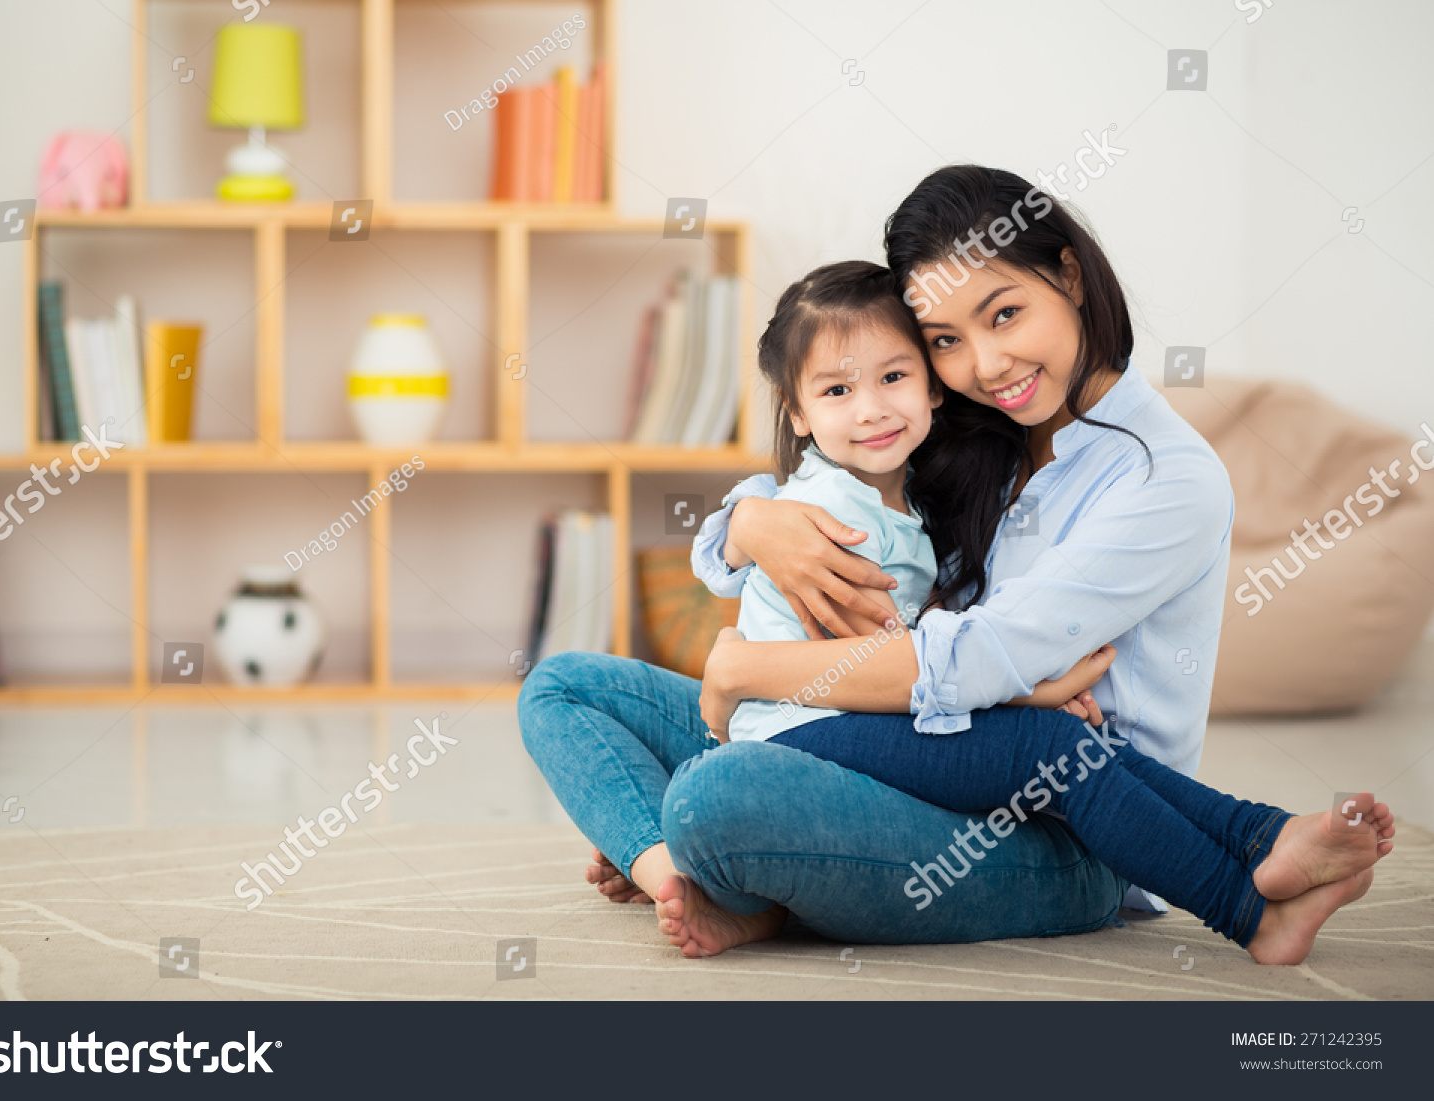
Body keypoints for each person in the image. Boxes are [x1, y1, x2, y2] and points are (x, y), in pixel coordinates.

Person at [518, 164, 1392, 962]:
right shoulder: (969, 442)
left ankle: (1252, 856)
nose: (987, 365)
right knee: (565, 688)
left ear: (1071, 276)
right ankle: (678, 872)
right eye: (943, 340)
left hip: (1055, 834)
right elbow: (825, 471)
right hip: (883, 751)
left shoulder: (1169, 479)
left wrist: (745, 669)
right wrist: (753, 520)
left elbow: (979, 661)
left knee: (719, 795)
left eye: (1005, 313)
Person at [699, 256, 1394, 966]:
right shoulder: (839, 514)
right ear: (797, 410)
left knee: (1071, 751)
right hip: (810, 723)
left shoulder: (910, 483)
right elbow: (892, 659)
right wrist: (747, 522)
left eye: (893, 377)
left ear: (930, 386)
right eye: (838, 389)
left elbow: (914, 657)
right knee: (1052, 749)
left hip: (840, 712)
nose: (872, 407)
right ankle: (1247, 908)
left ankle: (1262, 836)